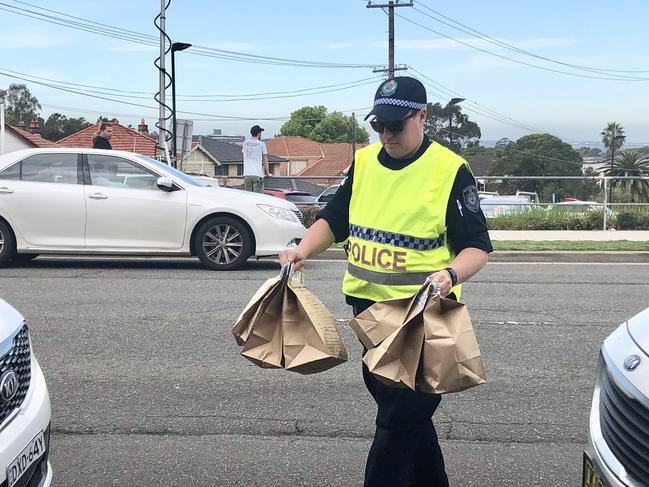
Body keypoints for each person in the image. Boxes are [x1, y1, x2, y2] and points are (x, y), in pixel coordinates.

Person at [279, 76, 492, 487]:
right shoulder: (365, 162)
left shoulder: (450, 171)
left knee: (397, 421)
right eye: (380, 125)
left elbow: (476, 247)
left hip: (423, 318)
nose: (387, 134)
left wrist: (449, 275)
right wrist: (301, 250)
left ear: (422, 116)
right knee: (408, 421)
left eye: (396, 124)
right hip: (367, 314)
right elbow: (334, 219)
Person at [242, 124, 269, 193]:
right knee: (259, 197)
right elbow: (265, 160)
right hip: (257, 174)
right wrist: (267, 173)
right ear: (259, 133)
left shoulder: (245, 143)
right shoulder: (262, 144)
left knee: (249, 197)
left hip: (247, 175)